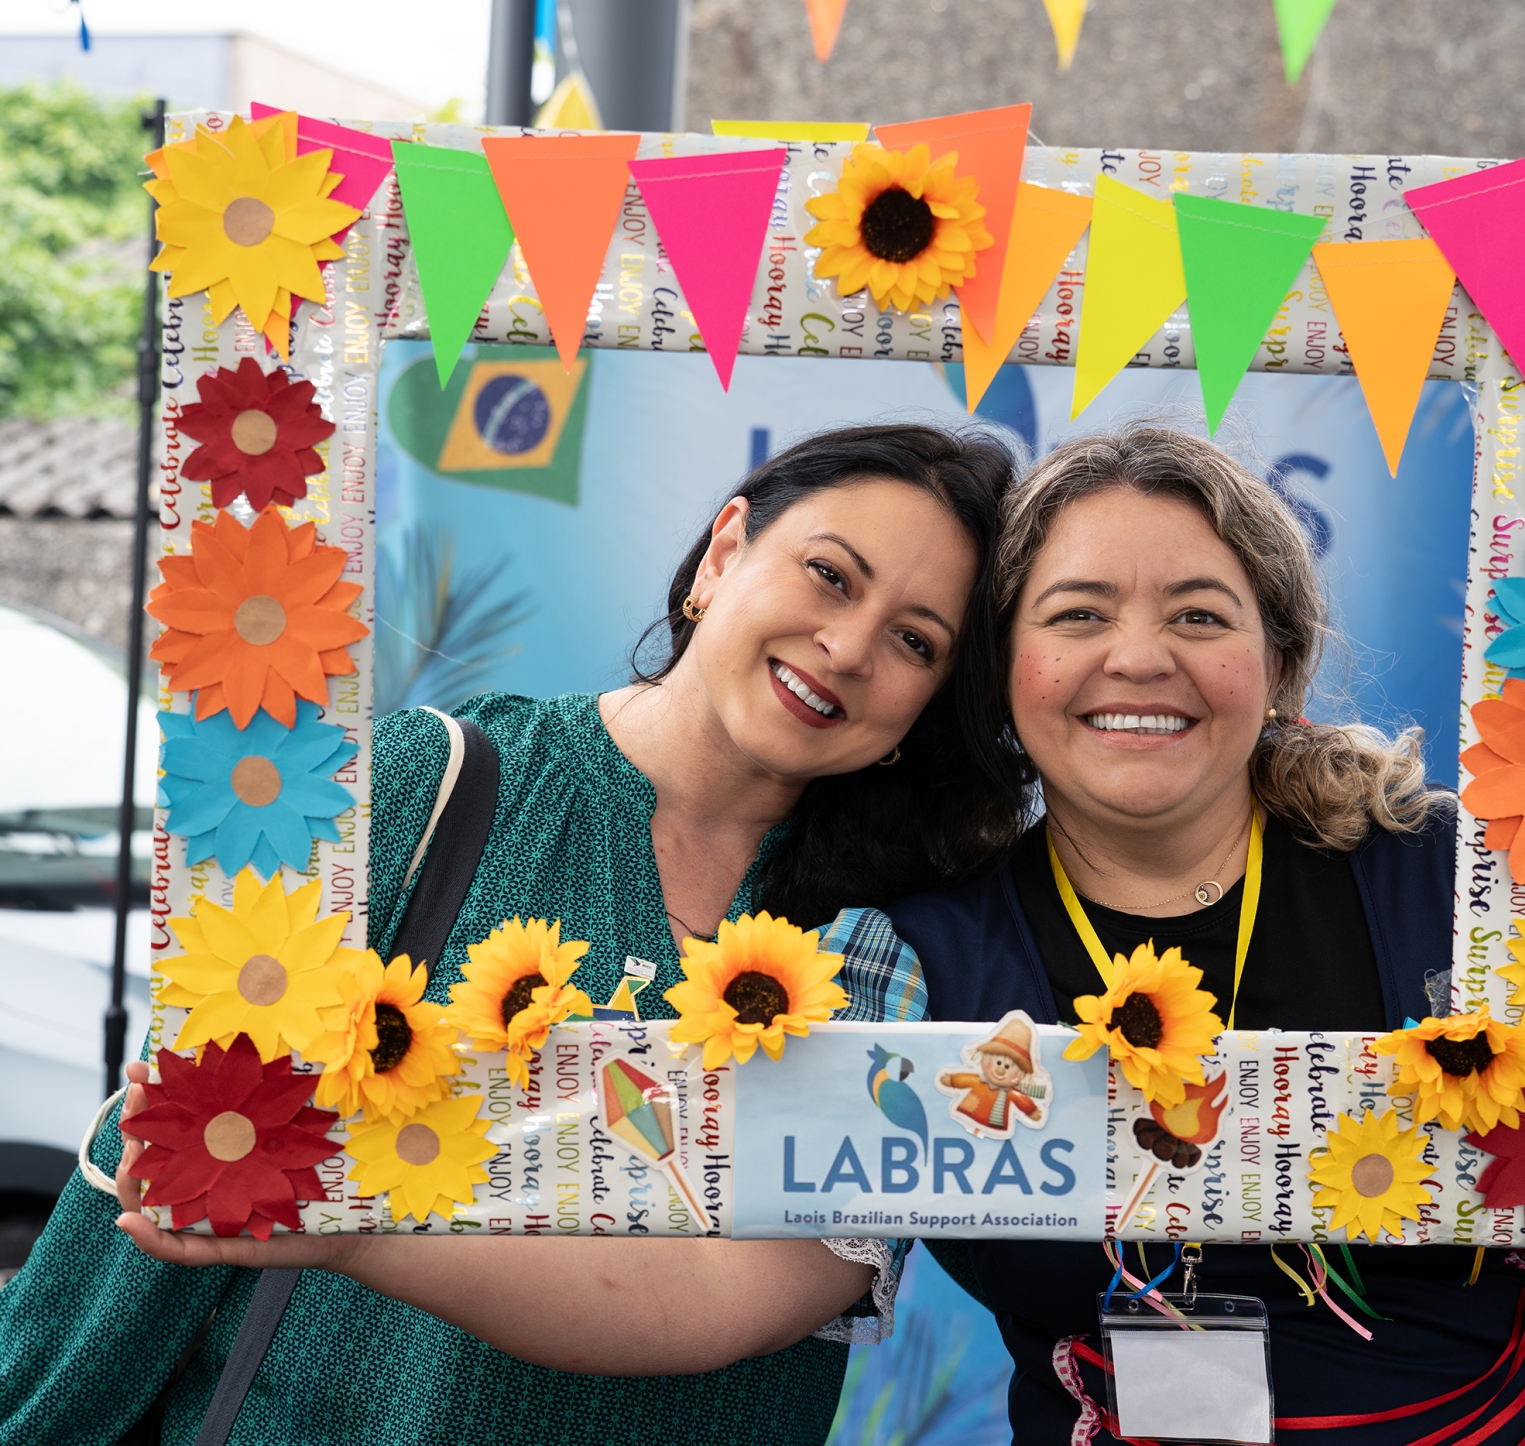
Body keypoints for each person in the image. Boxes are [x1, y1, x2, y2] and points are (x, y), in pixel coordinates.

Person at [0, 423, 1028, 1445]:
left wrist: (357, 1231)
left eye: (915, 641)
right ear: (724, 553)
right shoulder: (426, 788)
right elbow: (166, 1193)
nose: (848, 647)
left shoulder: (902, 942)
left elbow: (749, 1293)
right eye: (830, 576)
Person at [886, 423, 1525, 1446]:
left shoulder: (1471, 886)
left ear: (1279, 664)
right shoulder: (920, 957)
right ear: (1001, 666)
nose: (1136, 657)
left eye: (1199, 615)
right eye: (1077, 614)